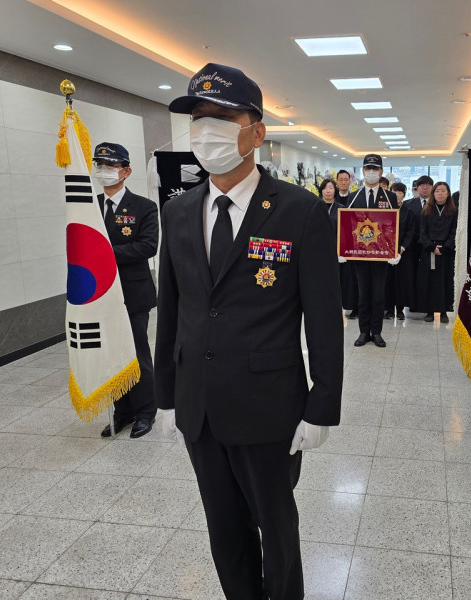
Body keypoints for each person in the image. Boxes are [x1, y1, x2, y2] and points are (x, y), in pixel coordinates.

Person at [155, 62, 344, 600]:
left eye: (221, 118)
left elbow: (324, 318)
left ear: (256, 133)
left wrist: (322, 403)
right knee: (224, 528)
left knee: (276, 528)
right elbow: (173, 310)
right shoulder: (178, 211)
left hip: (268, 406)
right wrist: (165, 395)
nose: (205, 130)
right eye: (198, 118)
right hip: (199, 405)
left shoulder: (300, 212)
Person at [93, 142, 159, 439]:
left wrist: (105, 253)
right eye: (99, 165)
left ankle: (145, 411)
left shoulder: (144, 207)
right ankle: (123, 411)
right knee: (112, 355)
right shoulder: (90, 206)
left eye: (110, 166)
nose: (103, 171)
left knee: (135, 352)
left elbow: (147, 246)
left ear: (126, 171)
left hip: (133, 293)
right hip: (101, 294)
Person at [343, 154, 398, 347]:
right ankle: (363, 332)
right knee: (363, 296)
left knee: (378, 297)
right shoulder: (353, 197)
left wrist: (395, 250)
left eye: (375, 169)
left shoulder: (390, 197)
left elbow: (394, 226)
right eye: (368, 168)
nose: (371, 172)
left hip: (381, 256)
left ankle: (377, 333)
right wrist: (343, 249)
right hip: (360, 255)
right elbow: (347, 226)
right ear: (363, 170)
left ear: (381, 171)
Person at [415, 182, 456, 324]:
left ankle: (444, 311)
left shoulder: (454, 211)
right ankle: (429, 311)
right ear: (433, 193)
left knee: (445, 280)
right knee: (429, 281)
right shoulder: (426, 210)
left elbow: (454, 231)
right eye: (437, 191)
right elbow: (422, 232)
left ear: (448, 193)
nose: (440, 193)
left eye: (443, 190)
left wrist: (446, 246)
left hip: (446, 251)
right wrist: (431, 246)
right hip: (429, 250)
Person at [384, 182, 417, 320]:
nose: (397, 195)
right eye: (394, 192)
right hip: (386, 252)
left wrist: (403, 247)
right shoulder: (384, 210)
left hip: (402, 252)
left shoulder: (408, 212)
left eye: (400, 192)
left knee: (401, 282)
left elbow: (411, 231)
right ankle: (389, 309)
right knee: (387, 280)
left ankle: (400, 309)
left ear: (404, 195)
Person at [405, 175, 433, 313]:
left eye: (428, 185)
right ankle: (413, 303)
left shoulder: (437, 204)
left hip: (430, 246)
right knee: (412, 274)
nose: (425, 187)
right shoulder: (408, 204)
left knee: (429, 275)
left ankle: (428, 305)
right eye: (422, 185)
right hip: (412, 245)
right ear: (417, 188)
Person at [335, 169, 358, 318]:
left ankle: (353, 306)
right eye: (341, 180)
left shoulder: (355, 198)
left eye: (346, 179)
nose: (343, 182)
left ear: (350, 181)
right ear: (337, 182)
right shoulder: (332, 198)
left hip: (351, 244)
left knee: (351, 277)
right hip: (334, 244)